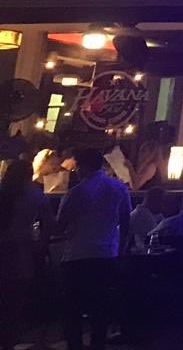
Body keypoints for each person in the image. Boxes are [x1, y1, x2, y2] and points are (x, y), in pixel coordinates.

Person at [57, 147, 132, 350]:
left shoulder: (76, 192)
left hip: (77, 254)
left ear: (82, 166)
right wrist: (121, 248)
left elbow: (61, 223)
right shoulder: (119, 187)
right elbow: (126, 221)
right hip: (107, 253)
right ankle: (98, 344)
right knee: (100, 306)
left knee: (73, 307)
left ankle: (75, 344)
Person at [0, 155, 48, 350]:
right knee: (16, 298)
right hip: (22, 249)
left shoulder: (3, 191)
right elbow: (49, 223)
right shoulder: (34, 194)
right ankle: (10, 339)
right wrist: (42, 244)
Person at [126, 184, 165, 249]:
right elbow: (151, 244)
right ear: (155, 201)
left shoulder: (146, 213)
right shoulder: (144, 217)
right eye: (162, 201)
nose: (164, 205)